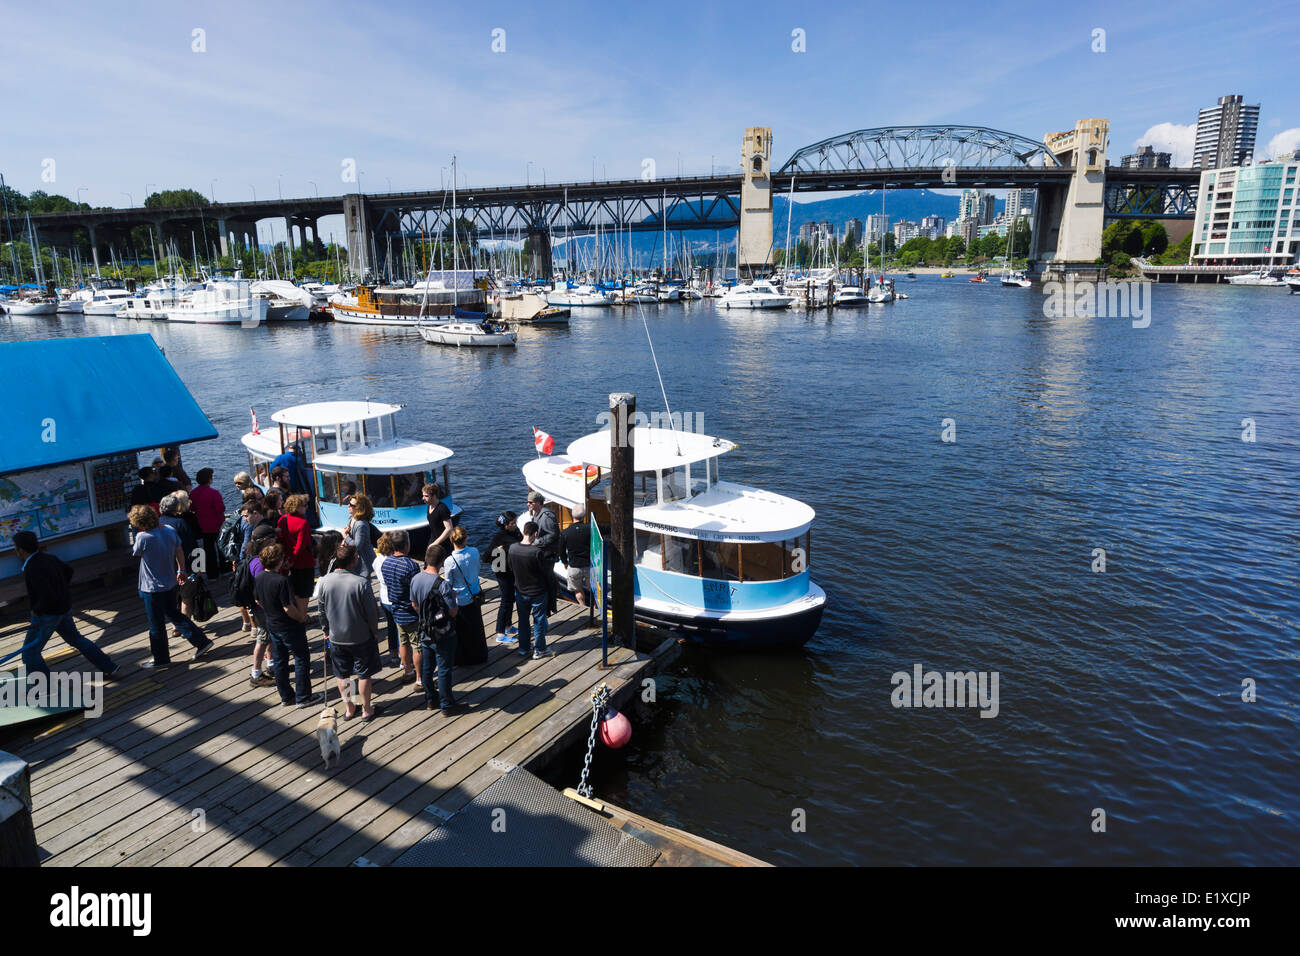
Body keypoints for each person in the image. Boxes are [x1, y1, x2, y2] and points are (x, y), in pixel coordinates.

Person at [12, 531, 119, 679]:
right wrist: (61, 589)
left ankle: (44, 687)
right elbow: (68, 571)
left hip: (47, 615)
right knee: (77, 639)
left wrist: (36, 610)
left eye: (15, 548)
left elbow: (45, 593)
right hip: (64, 608)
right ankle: (108, 666)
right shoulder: (49, 558)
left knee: (30, 653)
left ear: (21, 550)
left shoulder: (31, 568)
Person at [129, 505, 213, 668]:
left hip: (152, 587)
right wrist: (181, 569)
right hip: (170, 582)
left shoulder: (143, 537)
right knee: (175, 615)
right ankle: (201, 641)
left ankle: (161, 658)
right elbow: (179, 550)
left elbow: (136, 553)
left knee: (156, 624)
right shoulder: (169, 530)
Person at [319, 543, 383, 721]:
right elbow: (371, 613)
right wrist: (375, 631)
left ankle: (349, 708)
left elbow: (321, 611)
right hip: (361, 636)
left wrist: (326, 630)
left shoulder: (324, 581)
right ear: (352, 561)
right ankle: (367, 709)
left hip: (336, 637)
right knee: (364, 674)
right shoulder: (361, 583)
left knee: (342, 675)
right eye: (356, 556)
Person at [254, 542, 321, 708]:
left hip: (272, 623)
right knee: (301, 659)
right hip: (289, 625)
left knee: (280, 660)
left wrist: (270, 610)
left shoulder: (260, 577)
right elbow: (288, 607)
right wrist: (301, 618)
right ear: (279, 561)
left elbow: (257, 600)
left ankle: (286, 696)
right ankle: (303, 696)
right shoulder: (281, 581)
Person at [409, 544, 462, 714]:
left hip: (425, 630)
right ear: (442, 562)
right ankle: (447, 705)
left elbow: (414, 604)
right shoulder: (443, 585)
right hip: (443, 634)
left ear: (426, 559)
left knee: (427, 668)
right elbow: (452, 612)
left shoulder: (415, 579)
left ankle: (431, 699)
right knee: (444, 669)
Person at [378, 530, 422, 686]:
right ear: (406, 544)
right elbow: (415, 591)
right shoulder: (411, 566)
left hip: (396, 610)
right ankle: (419, 678)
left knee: (403, 643)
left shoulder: (386, 562)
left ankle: (408, 671)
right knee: (417, 645)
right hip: (410, 611)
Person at [241, 523, 280, 686]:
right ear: (265, 540)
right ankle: (255, 674)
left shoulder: (255, 556)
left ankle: (271, 666)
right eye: (273, 538)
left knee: (269, 636)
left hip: (261, 607)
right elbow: (261, 590)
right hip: (262, 608)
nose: (276, 540)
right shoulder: (258, 563)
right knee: (262, 638)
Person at [442, 526, 487, 665]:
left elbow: (448, 582)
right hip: (475, 595)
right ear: (466, 538)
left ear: (451, 540)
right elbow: (477, 568)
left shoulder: (449, 561)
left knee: (462, 631)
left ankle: (464, 659)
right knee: (477, 628)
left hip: (460, 599)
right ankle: (480, 655)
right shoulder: (474, 552)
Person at [508, 521, 553, 659]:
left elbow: (510, 567)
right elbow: (544, 572)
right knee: (539, 621)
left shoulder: (512, 548)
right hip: (538, 591)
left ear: (523, 532)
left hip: (520, 591)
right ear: (535, 534)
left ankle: (523, 648)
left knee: (523, 621)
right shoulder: (536, 552)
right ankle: (539, 649)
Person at [277, 494, 316, 617]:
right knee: (304, 591)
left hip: (287, 561)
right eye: (304, 505)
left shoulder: (282, 520)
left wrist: (287, 560)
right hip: (303, 561)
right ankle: (302, 616)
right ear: (297, 508)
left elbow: (280, 540)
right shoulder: (303, 523)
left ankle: (299, 613)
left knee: (294, 589)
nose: (306, 507)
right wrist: (293, 559)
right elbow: (300, 546)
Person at [488, 511, 522, 645]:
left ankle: (508, 626)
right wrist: (500, 550)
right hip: (502, 572)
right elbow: (486, 556)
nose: (515, 525)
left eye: (515, 522)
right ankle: (500, 633)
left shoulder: (516, 532)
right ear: (506, 525)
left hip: (512, 570)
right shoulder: (499, 537)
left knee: (511, 599)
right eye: (513, 523)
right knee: (506, 601)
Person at [526, 491, 560, 613]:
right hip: (542, 554)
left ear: (538, 503)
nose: (528, 504)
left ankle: (550, 607)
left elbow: (553, 535)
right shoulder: (537, 514)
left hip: (547, 555)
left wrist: (536, 542)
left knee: (547, 580)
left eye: (530, 502)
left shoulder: (546, 517)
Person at [189, 468, 226, 581]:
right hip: (217, 525)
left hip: (203, 527)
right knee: (221, 548)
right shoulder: (214, 493)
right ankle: (225, 569)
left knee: (208, 551)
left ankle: (212, 574)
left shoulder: (193, 493)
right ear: (209, 479)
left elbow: (192, 508)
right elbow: (220, 509)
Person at [373, 532, 400, 667]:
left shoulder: (376, 561)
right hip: (394, 597)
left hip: (383, 597)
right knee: (399, 628)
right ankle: (403, 656)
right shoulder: (393, 561)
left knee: (391, 626)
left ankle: (394, 654)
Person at [560, 505, 592, 608]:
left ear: (572, 515)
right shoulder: (590, 528)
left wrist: (565, 562)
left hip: (574, 566)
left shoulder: (565, 533)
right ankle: (595, 608)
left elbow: (561, 551)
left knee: (577, 590)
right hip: (588, 566)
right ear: (584, 516)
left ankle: (583, 607)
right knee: (594, 590)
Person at [343, 493, 377, 577]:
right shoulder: (352, 518)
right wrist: (347, 532)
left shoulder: (361, 524)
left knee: (363, 584)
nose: (348, 505)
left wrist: (345, 537)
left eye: (351, 505)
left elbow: (357, 545)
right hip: (356, 559)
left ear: (359, 508)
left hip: (364, 561)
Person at [423, 483, 453, 556]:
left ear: (434, 496)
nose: (423, 498)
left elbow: (449, 528)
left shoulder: (442, 509)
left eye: (426, 496)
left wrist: (435, 543)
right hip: (433, 538)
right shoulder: (429, 506)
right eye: (423, 495)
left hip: (444, 543)